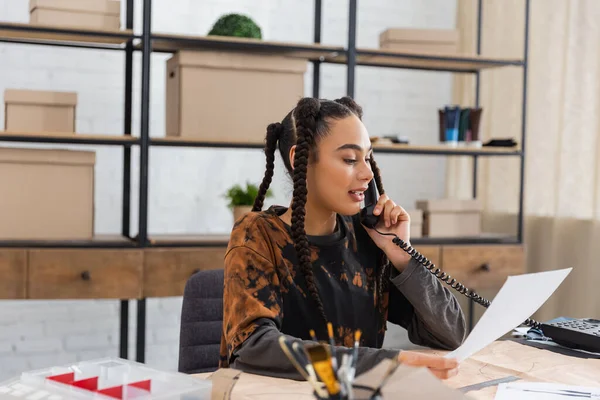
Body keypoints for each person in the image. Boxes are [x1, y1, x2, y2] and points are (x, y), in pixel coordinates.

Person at [218, 96, 467, 382]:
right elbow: (255, 348)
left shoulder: (367, 238)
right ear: (301, 159)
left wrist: (403, 254)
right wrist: (387, 363)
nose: (367, 173)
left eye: (368, 158)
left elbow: (451, 334)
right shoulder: (256, 236)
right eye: (350, 159)